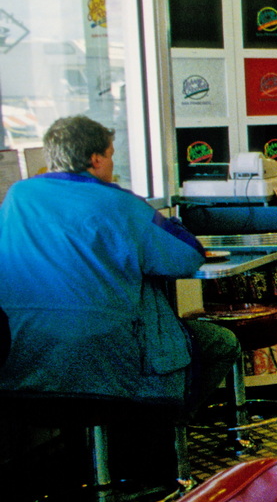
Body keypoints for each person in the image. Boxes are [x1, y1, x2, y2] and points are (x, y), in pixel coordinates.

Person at [0, 115, 238, 409]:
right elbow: (186, 258)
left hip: (20, 358)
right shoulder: (120, 203)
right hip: (109, 359)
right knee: (221, 343)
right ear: (96, 159)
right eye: (111, 155)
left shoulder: (18, 195)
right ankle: (163, 427)